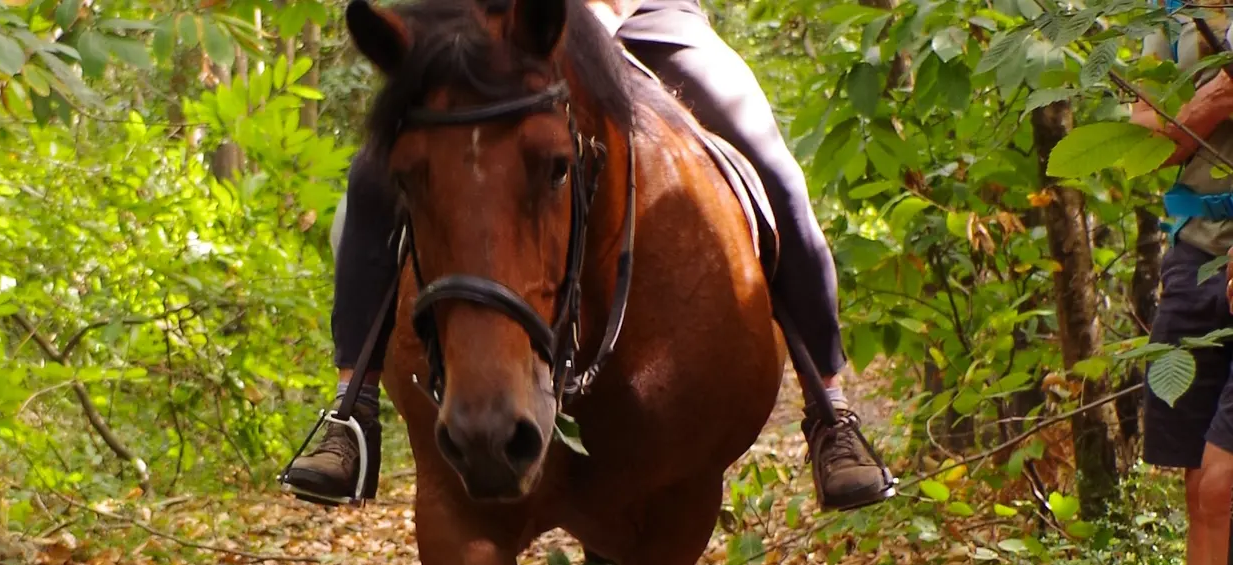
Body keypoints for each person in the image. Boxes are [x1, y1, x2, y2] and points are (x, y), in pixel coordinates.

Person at [284, 0, 893, 513]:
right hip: (475, 25)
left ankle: (830, 411)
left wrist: (598, 12)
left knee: (770, 165)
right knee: (375, 175)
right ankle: (352, 408)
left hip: (643, 16)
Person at [1132, 6, 1233, 565]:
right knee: (1202, 489)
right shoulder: (1173, 19)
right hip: (1192, 260)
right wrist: (1209, 103)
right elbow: (1144, 144)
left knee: (1226, 481)